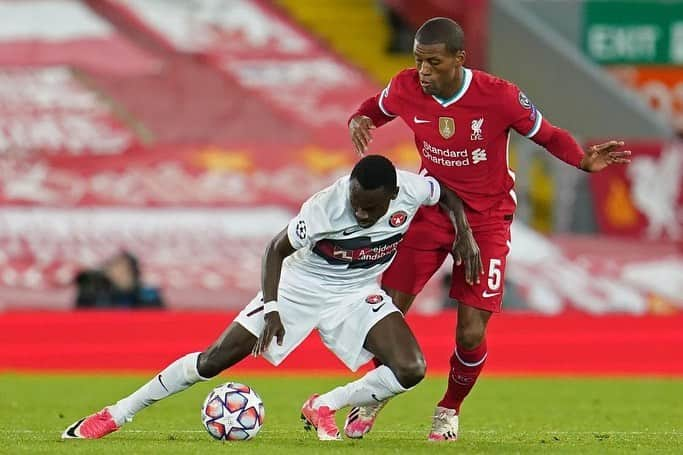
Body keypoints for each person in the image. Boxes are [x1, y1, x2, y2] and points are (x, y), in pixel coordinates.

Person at [344, 17, 631, 441]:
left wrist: (582, 160)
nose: (423, 71)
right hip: (432, 211)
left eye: (434, 63)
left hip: (488, 220)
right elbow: (374, 107)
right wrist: (358, 118)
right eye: (419, 61)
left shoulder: (500, 97)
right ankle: (376, 395)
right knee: (386, 312)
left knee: (471, 330)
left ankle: (449, 408)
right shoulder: (407, 87)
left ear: (459, 59)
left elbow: (548, 135)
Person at [61, 155, 482, 441]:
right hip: (297, 287)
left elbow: (443, 192)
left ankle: (323, 405)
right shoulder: (324, 209)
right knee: (213, 360)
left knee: (412, 369)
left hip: (355, 293)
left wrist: (463, 234)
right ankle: (116, 414)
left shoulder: (410, 189)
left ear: (392, 196)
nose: (362, 213)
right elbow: (274, 250)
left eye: (370, 207)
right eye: (356, 202)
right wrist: (274, 306)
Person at [74, 251, 164, 309]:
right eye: (114, 266)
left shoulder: (148, 293)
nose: (115, 270)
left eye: (122, 267)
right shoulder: (99, 293)